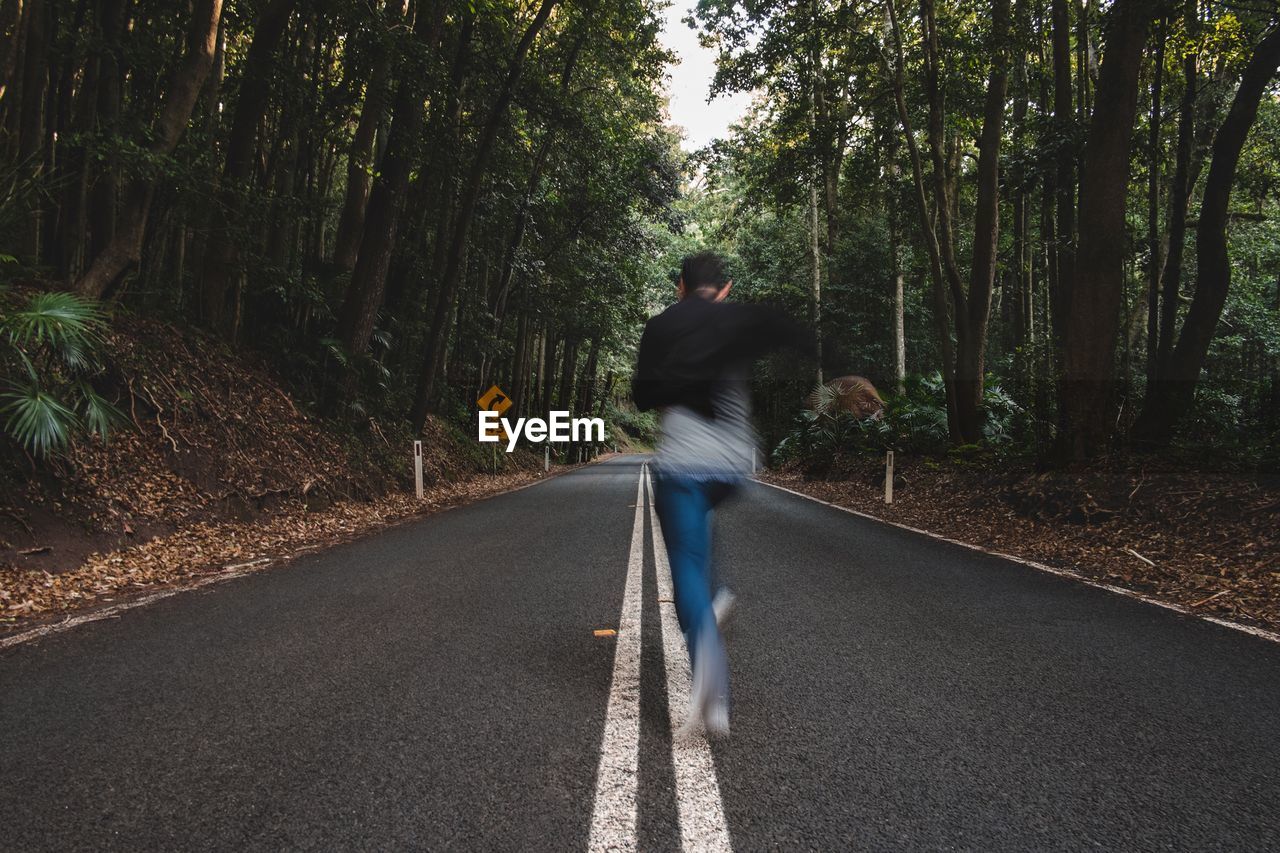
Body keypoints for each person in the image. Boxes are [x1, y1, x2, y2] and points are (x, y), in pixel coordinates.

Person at [633, 251, 813, 738]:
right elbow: (796, 336)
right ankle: (711, 602)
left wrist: (674, 387)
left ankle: (711, 674)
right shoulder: (736, 320)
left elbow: (642, 396)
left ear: (679, 287)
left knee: (686, 564)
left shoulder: (663, 326)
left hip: (685, 466)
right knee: (699, 540)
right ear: (726, 288)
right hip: (734, 467)